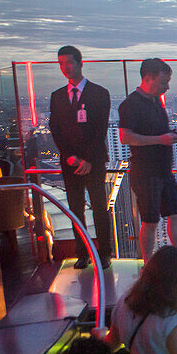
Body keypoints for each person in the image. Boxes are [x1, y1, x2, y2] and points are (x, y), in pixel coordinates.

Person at [118, 58, 177, 261]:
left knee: (176, 214)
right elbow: (125, 137)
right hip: (146, 172)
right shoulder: (131, 104)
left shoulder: (156, 101)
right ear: (148, 78)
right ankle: (148, 264)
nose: (166, 87)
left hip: (164, 170)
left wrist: (169, 134)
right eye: (163, 82)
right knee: (150, 221)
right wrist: (160, 139)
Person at [49, 45, 113, 269]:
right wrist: (70, 158)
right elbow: (55, 130)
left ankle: (104, 253)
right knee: (75, 209)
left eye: (69, 62)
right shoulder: (57, 97)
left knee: (99, 208)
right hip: (70, 163)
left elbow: (100, 131)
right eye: (61, 63)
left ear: (80, 63)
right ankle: (82, 253)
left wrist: (88, 160)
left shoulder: (99, 93)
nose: (65, 67)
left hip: (94, 162)